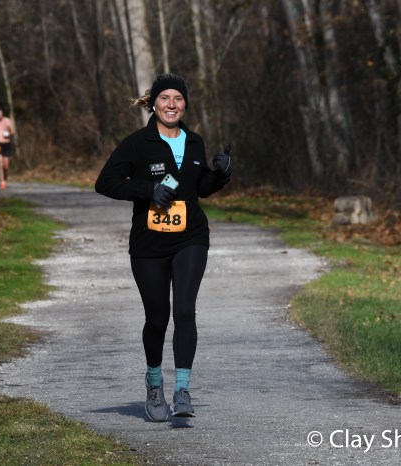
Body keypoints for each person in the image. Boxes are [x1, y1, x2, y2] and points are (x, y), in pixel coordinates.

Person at [95, 73, 232, 421]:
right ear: (153, 104)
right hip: (149, 244)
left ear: (185, 104)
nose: (172, 105)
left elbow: (199, 188)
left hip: (191, 238)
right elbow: (105, 183)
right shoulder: (137, 144)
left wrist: (220, 174)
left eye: (178, 99)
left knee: (184, 311)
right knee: (157, 318)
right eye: (165, 98)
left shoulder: (195, 141)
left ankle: (182, 391)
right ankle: (154, 382)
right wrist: (148, 190)